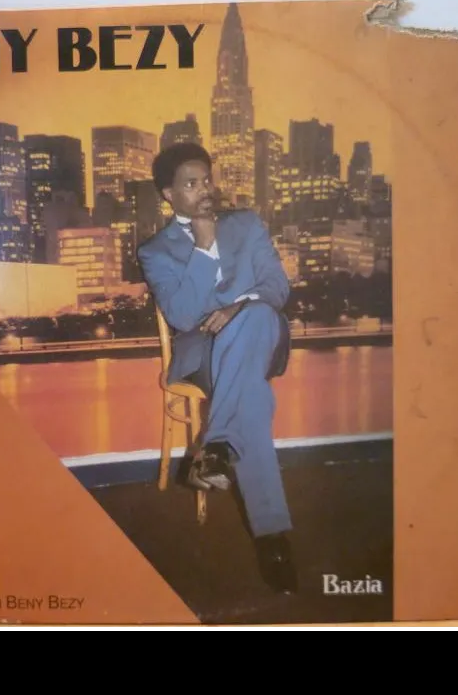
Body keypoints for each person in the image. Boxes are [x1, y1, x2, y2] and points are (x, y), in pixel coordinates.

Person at [137, 142, 297, 595]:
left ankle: (219, 443)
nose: (205, 189)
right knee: (251, 401)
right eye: (191, 184)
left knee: (257, 314)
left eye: (206, 179)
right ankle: (271, 535)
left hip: (263, 338)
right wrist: (205, 247)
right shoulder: (156, 251)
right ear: (170, 195)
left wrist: (239, 308)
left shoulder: (246, 224)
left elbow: (277, 287)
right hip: (204, 356)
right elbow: (184, 317)